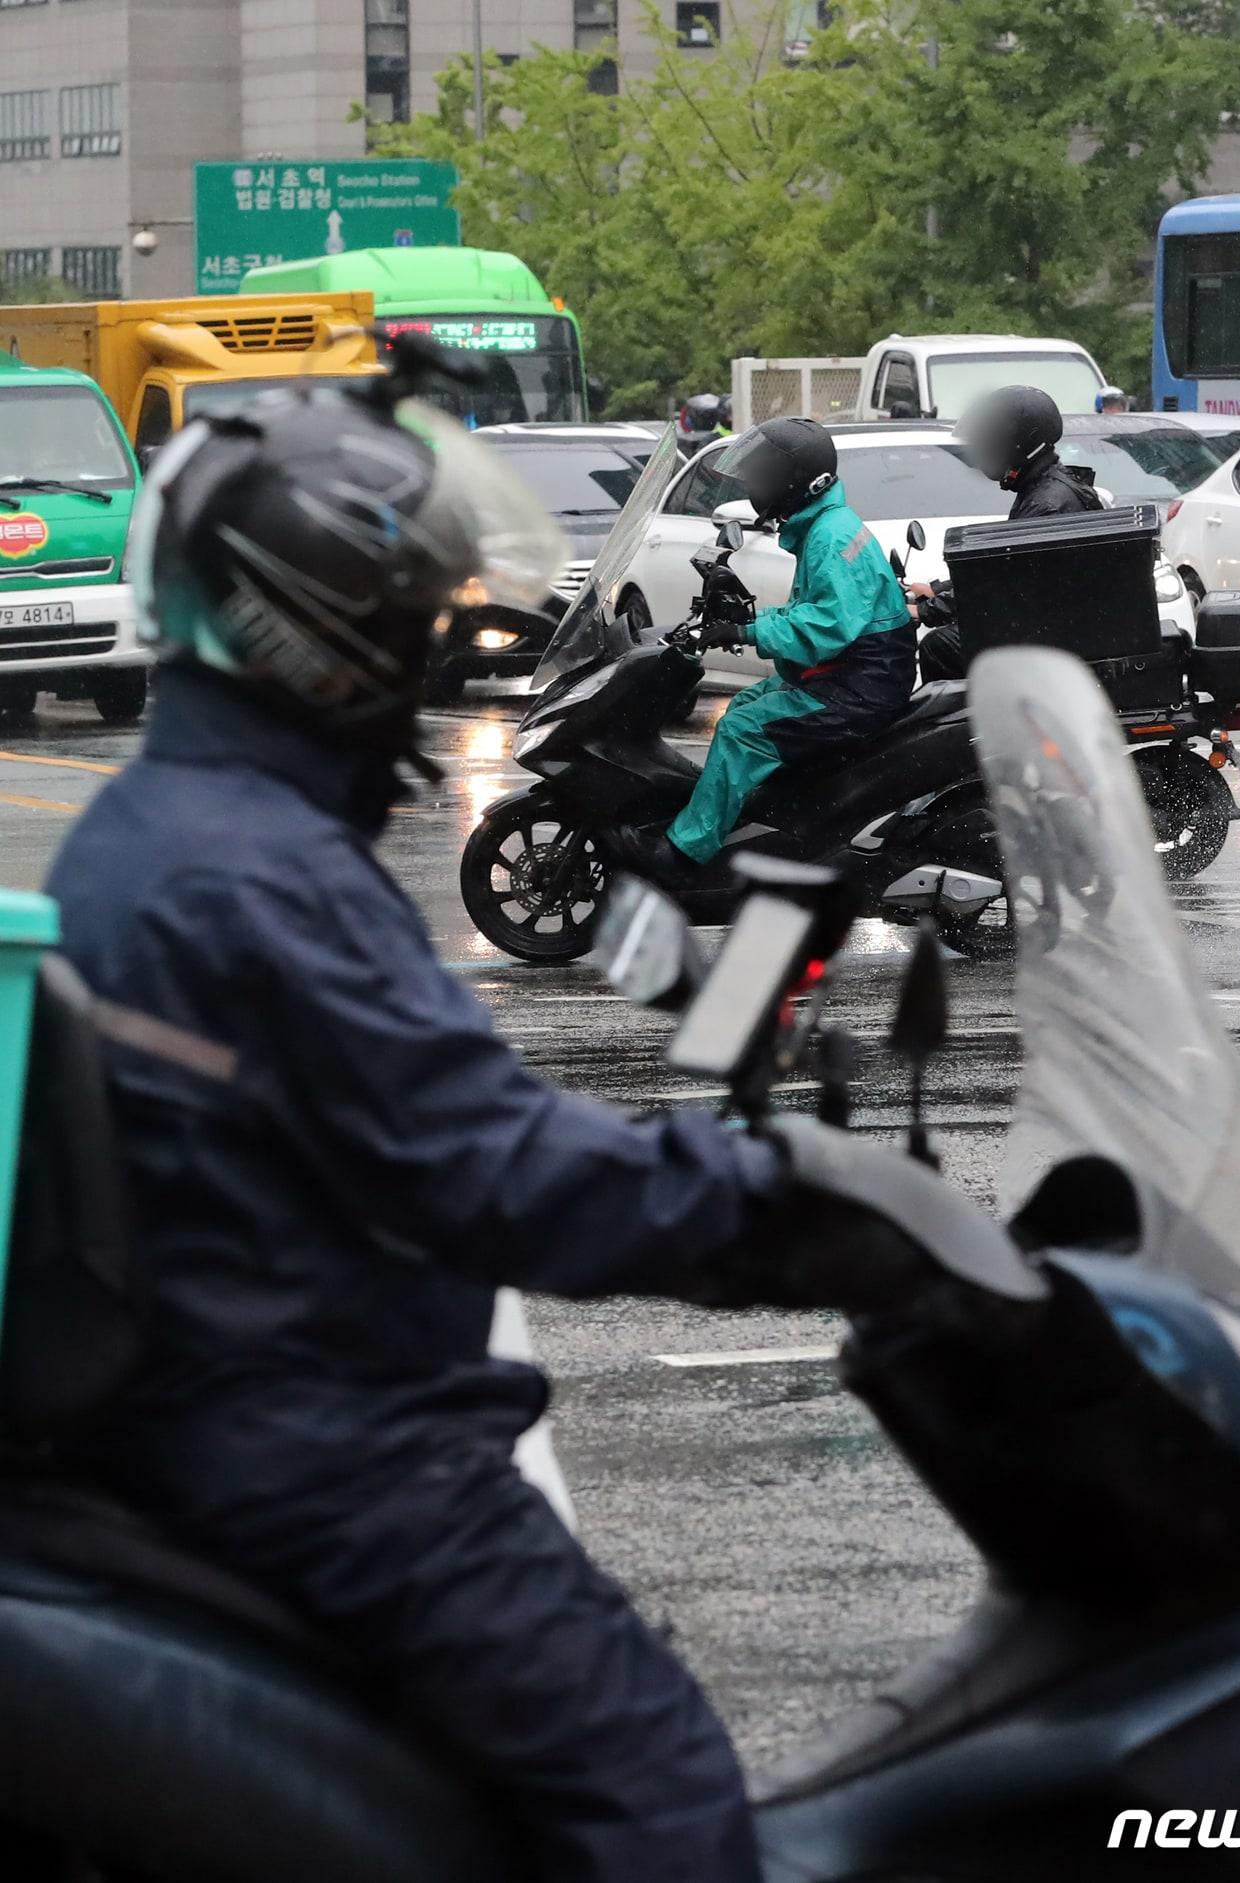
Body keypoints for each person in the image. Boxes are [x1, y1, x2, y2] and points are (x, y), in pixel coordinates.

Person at [44, 379, 934, 1883]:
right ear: (311, 627)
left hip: (249, 1394)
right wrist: (783, 1200)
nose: (431, 639)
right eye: (402, 606)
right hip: (333, 1450)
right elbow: (493, 1159)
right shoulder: (254, 878)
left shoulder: (176, 831)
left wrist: (722, 1034)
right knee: (657, 1787)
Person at [615, 417, 913, 883]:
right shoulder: (824, 526)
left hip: (858, 687)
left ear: (800, 482)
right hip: (849, 675)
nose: (757, 487)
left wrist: (747, 632)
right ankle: (758, 820)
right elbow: (813, 611)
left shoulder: (832, 537)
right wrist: (747, 623)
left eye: (765, 477)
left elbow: (828, 625)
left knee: (741, 729)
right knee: (750, 701)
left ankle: (685, 855)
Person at [913, 385, 1102, 684]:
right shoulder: (1045, 487)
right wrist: (938, 590)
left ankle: (970, 730)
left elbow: (1005, 584)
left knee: (939, 646)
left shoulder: (1048, 504)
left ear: (1017, 443)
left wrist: (927, 611)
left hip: (1051, 637)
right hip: (1053, 625)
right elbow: (1005, 564)